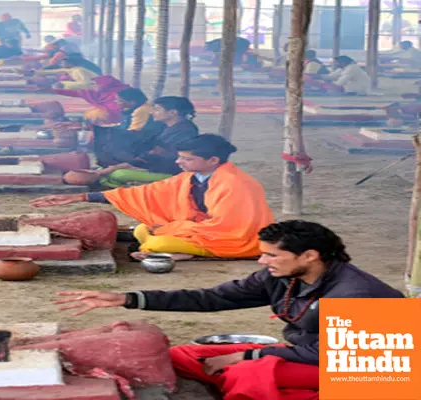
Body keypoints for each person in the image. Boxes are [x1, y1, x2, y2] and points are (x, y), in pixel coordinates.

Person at [52, 220, 405, 399]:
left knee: (247, 375)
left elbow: (336, 358)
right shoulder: (280, 274)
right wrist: (128, 298)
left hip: (368, 369)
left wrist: (248, 357)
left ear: (310, 255)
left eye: (271, 254)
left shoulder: (357, 294)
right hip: (302, 354)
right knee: (183, 355)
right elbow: (213, 297)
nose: (262, 260)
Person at [31, 134, 274, 259]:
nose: (179, 162)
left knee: (158, 241)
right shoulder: (192, 177)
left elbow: (230, 228)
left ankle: (176, 251)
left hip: (238, 239)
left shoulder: (236, 184)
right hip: (201, 229)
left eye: (187, 159)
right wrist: (81, 197)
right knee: (141, 230)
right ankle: (177, 250)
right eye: (180, 157)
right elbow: (142, 194)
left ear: (212, 160)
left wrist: (173, 228)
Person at [97, 96, 200, 188]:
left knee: (118, 175)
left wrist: (127, 166)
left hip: (171, 172)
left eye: (157, 109)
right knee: (105, 172)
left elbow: (160, 155)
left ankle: (141, 189)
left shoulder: (184, 131)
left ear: (173, 112)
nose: (152, 113)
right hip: (154, 166)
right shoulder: (167, 127)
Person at [92, 88, 163, 168]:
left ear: (132, 102)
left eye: (119, 101)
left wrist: (109, 132)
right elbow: (124, 124)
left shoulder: (141, 110)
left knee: (103, 136)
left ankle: (113, 163)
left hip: (140, 139)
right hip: (134, 135)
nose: (116, 102)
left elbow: (134, 130)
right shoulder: (130, 108)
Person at [53, 75, 130, 125]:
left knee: (96, 114)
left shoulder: (121, 93)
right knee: (91, 113)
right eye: (93, 84)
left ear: (104, 85)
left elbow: (120, 110)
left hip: (121, 118)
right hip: (111, 117)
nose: (93, 86)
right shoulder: (97, 91)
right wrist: (54, 91)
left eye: (95, 84)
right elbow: (76, 93)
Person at [34, 55, 100, 90]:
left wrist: (66, 85)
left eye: (64, 63)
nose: (62, 65)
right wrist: (36, 72)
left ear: (70, 64)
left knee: (59, 84)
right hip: (85, 85)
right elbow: (54, 71)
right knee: (59, 84)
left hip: (92, 86)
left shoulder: (78, 70)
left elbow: (86, 83)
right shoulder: (70, 70)